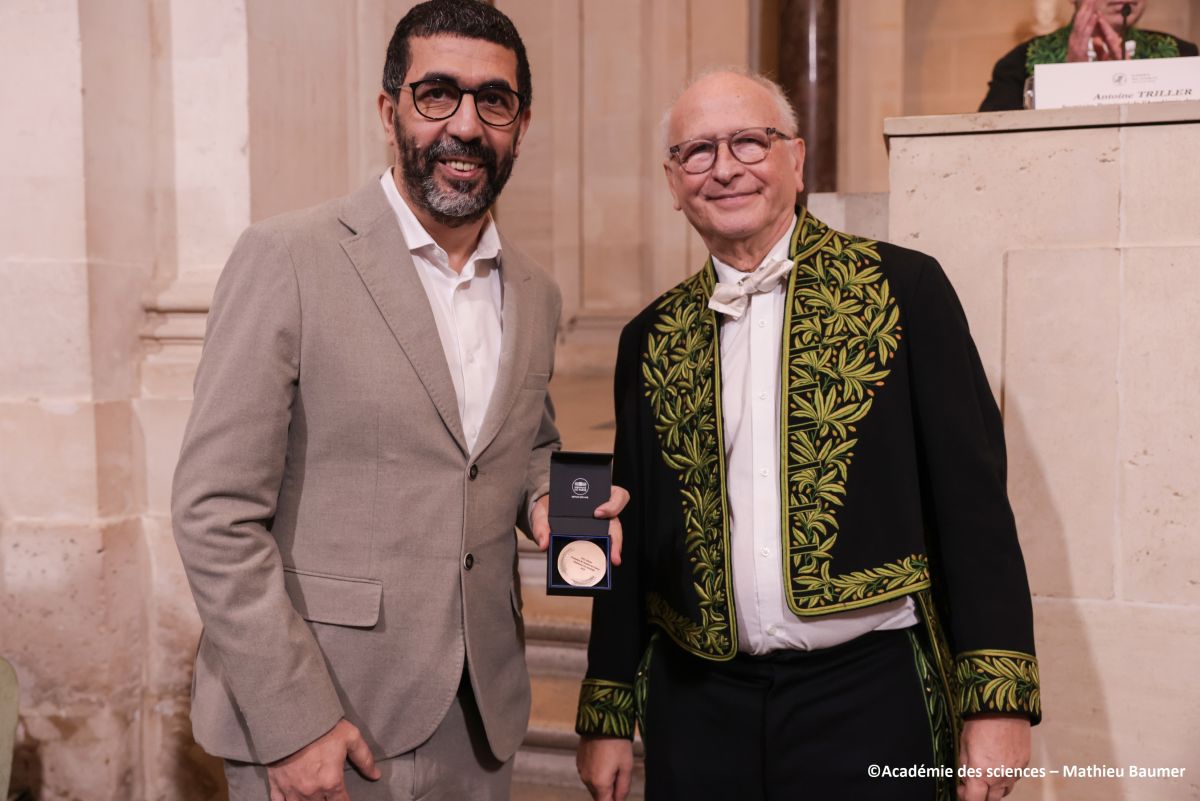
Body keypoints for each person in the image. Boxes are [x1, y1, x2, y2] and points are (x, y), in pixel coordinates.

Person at [171, 2, 626, 799]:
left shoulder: (536, 290)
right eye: (437, 94)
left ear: (521, 125)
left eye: (494, 101)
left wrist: (550, 500)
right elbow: (213, 512)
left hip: (480, 717)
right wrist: (294, 721)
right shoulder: (288, 258)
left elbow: (525, 443)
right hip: (333, 714)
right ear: (390, 112)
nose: (466, 125)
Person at [574, 69, 1041, 801]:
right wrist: (605, 708)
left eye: (748, 142)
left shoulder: (904, 289)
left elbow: (974, 505)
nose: (724, 168)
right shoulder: (649, 336)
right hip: (697, 705)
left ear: (795, 160)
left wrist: (997, 699)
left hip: (870, 693)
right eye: (698, 151)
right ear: (673, 182)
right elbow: (622, 530)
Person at [980, 0, 1199, 111]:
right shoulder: (1018, 63)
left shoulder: (1184, 56)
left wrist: (1129, 87)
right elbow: (992, 146)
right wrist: (1071, 83)